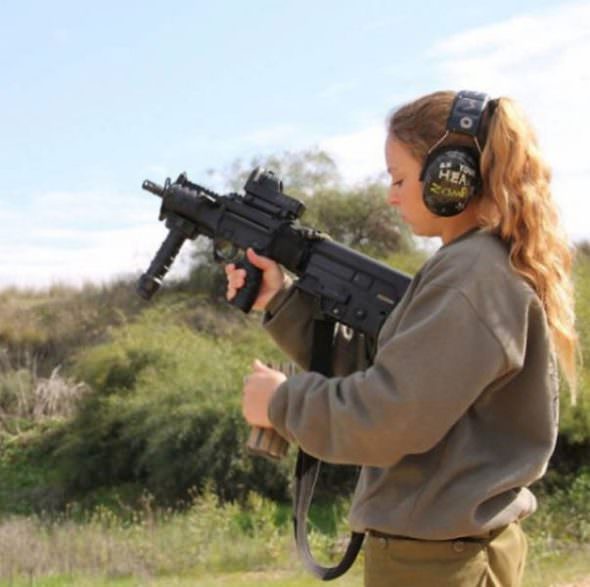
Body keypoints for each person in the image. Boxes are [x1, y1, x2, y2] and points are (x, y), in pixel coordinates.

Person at [225, 90, 578, 586]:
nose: (391, 196)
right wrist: (281, 301)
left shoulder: (472, 277)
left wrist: (281, 404)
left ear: (450, 178)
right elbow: (396, 374)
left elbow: (391, 416)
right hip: (439, 556)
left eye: (399, 179)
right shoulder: (470, 267)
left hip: (440, 565)